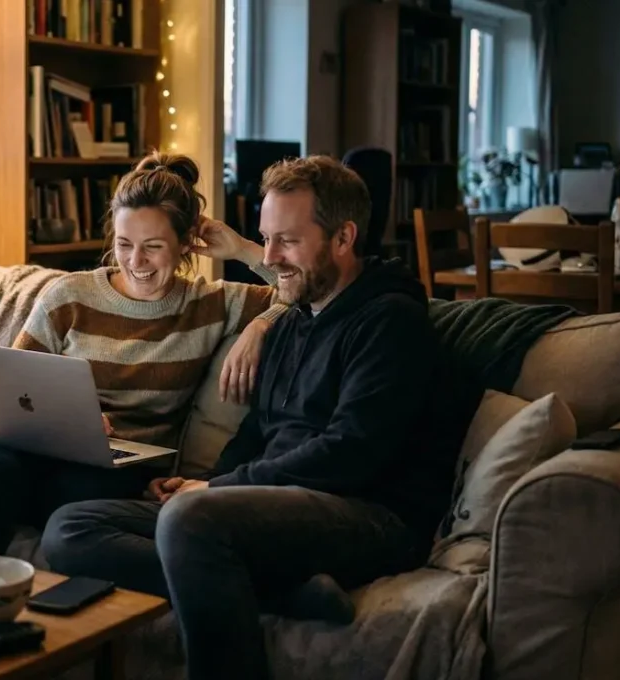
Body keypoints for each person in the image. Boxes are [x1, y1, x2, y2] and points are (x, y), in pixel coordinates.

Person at [40, 155, 477, 680]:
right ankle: (284, 589)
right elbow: (257, 430)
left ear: (343, 238)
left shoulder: (388, 321)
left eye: (286, 242)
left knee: (188, 519)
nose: (270, 257)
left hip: (367, 512)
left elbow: (351, 451)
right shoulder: (294, 318)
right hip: (274, 505)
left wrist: (217, 492)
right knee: (71, 526)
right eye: (264, 239)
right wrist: (208, 481)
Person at [0, 152, 290, 556]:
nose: (135, 261)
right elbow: (11, 391)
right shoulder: (69, 296)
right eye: (124, 244)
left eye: (153, 246)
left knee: (77, 494)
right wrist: (71, 419)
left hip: (118, 471)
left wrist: (245, 257)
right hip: (27, 452)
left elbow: (304, 290)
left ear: (186, 242)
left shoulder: (212, 304)